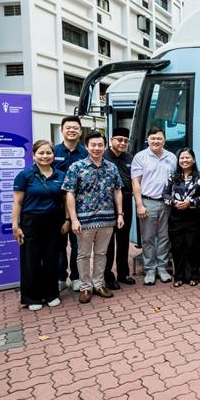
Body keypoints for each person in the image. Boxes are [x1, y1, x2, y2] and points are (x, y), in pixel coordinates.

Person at [62, 131, 124, 304]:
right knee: (83, 254)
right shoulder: (77, 167)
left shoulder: (111, 167)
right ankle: (85, 287)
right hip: (84, 220)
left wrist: (120, 214)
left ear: (105, 146)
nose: (97, 148)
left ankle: (99, 283)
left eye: (100, 145)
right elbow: (69, 193)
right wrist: (73, 219)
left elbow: (118, 191)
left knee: (101, 253)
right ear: (87, 146)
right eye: (93, 145)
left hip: (107, 219)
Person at [12, 140, 68, 311]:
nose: (45, 156)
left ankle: (51, 294)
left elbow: (65, 200)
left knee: (51, 258)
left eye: (48, 153)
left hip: (54, 221)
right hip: (31, 222)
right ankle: (32, 297)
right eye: (41, 153)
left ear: (53, 155)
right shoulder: (25, 175)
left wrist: (67, 220)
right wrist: (15, 225)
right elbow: (17, 202)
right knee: (31, 260)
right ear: (34, 155)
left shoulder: (60, 175)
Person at [132, 127, 177, 285]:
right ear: (148, 140)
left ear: (164, 140)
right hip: (147, 202)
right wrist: (139, 204)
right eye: (153, 138)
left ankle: (162, 268)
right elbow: (135, 182)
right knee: (148, 238)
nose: (156, 141)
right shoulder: (140, 157)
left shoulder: (171, 157)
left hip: (166, 203)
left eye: (159, 138)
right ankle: (149, 269)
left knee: (164, 237)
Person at [53, 115, 88, 292]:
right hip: (56, 206)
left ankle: (76, 277)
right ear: (62, 130)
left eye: (75, 128)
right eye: (68, 127)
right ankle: (60, 277)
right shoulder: (53, 152)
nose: (72, 130)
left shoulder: (85, 153)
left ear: (80, 131)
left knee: (77, 244)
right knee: (58, 244)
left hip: (79, 206)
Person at [163, 148, 200, 287]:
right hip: (176, 217)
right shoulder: (173, 177)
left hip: (193, 216)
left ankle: (194, 275)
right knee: (177, 247)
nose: (184, 160)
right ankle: (179, 276)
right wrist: (174, 202)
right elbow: (165, 194)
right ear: (178, 160)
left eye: (187, 158)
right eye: (182, 158)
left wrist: (190, 202)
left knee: (192, 247)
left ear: (193, 160)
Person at [103, 127, 135, 288]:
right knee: (108, 242)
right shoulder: (103, 156)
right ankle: (108, 276)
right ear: (111, 140)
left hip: (126, 202)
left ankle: (123, 273)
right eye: (119, 140)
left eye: (125, 141)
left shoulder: (130, 157)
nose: (122, 143)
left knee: (123, 240)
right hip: (107, 204)